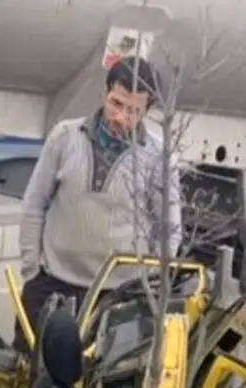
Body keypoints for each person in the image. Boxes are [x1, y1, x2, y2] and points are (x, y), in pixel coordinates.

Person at [15, 56, 182, 352]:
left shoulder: (159, 157)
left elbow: (169, 231)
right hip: (52, 284)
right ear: (104, 93)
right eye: (116, 104)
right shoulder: (65, 137)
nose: (121, 118)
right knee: (27, 372)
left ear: (148, 109)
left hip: (116, 298)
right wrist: (31, 270)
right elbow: (34, 203)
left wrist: (147, 290)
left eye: (133, 111)